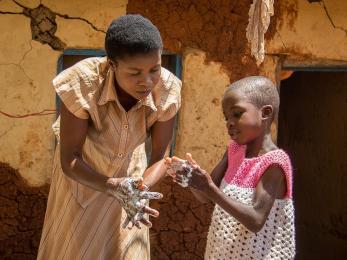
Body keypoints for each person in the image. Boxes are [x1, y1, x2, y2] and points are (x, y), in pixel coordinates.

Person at [37, 14, 181, 260]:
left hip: (130, 192)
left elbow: (160, 157)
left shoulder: (166, 89)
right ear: (112, 65)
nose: (146, 81)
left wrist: (138, 191)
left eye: (154, 69)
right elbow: (70, 159)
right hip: (80, 189)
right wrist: (112, 185)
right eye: (135, 72)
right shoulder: (84, 82)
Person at [167, 76, 295, 259]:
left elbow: (256, 220)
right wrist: (191, 180)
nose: (229, 123)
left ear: (265, 113)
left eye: (237, 114)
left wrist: (208, 187)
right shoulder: (233, 150)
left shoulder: (274, 162)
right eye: (226, 118)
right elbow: (206, 196)